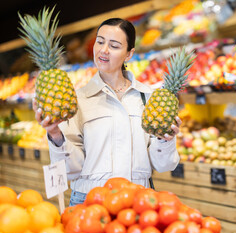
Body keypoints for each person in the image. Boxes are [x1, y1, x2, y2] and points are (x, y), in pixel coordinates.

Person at [33, 18, 181, 206]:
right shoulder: (76, 100)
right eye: (100, 41)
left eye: (114, 45)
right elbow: (71, 169)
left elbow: (163, 165)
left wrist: (165, 139)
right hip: (90, 200)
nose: (103, 50)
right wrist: (55, 133)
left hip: (138, 200)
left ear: (129, 54)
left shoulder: (148, 97)